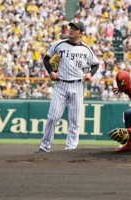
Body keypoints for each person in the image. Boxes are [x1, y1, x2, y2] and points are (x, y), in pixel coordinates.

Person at [35, 19, 99, 153]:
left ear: (81, 33)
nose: (71, 30)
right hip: (61, 85)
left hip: (77, 85)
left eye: (75, 29)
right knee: (52, 117)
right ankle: (44, 147)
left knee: (75, 120)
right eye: (70, 27)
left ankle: (71, 148)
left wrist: (90, 74)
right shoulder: (59, 45)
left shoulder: (86, 49)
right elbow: (46, 58)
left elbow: (95, 64)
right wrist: (51, 71)